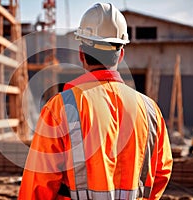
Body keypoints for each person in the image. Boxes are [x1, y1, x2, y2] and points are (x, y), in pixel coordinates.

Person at [18, 2, 173, 200]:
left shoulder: (61, 108)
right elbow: (162, 172)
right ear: (121, 54)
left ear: (81, 54)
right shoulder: (151, 111)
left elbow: (38, 185)